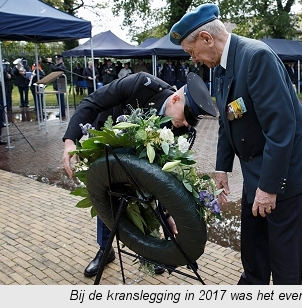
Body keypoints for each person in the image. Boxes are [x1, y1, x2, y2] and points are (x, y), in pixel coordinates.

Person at [170, 3, 302, 285]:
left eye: (193, 52)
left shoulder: (257, 57)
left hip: (286, 172)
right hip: (258, 169)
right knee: (253, 251)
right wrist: (221, 169)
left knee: (283, 261)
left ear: (206, 38)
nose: (194, 60)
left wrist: (268, 188)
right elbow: (227, 120)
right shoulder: (219, 67)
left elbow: (281, 128)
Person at [61, 71, 216, 278]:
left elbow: (166, 177)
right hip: (110, 142)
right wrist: (71, 140)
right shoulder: (140, 85)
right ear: (176, 99)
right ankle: (105, 250)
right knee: (107, 197)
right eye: (187, 116)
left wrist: (168, 215)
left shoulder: (180, 129)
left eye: (194, 121)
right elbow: (93, 102)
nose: (188, 124)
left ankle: (149, 251)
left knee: (146, 196)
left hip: (141, 159)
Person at [49, 55, 67, 119]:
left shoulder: (62, 66)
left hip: (61, 84)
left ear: (61, 59)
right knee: (59, 100)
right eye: (56, 60)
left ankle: (62, 113)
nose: (57, 61)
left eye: (58, 60)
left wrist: (50, 63)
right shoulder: (58, 66)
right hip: (58, 84)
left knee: (61, 100)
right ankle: (61, 112)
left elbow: (53, 70)